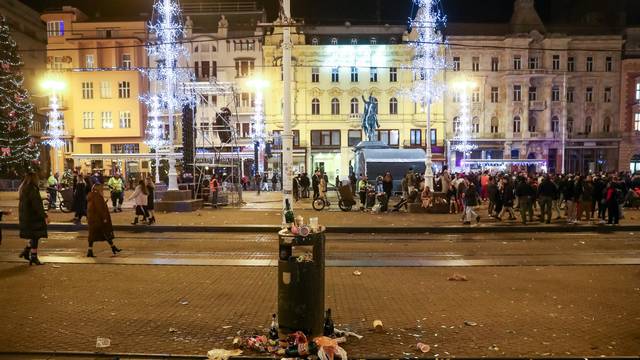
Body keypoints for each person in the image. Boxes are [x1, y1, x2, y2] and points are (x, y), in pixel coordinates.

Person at [19, 172, 48, 265]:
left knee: (33, 235)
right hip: (33, 217)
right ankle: (34, 257)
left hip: (27, 217)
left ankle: (27, 251)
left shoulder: (24, 188)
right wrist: (44, 216)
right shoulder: (32, 189)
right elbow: (37, 205)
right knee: (35, 236)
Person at [86, 183, 122, 257]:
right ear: (98, 189)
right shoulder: (97, 196)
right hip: (98, 219)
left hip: (93, 219)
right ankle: (113, 247)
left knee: (95, 234)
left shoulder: (91, 195)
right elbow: (100, 208)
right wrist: (104, 218)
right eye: (101, 188)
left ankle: (112, 247)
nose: (102, 190)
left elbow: (93, 207)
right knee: (105, 232)